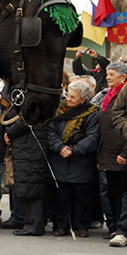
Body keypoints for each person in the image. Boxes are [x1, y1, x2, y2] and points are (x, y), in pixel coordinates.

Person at [46, 81, 100, 237]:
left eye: (73, 97)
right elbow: (50, 132)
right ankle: (61, 225)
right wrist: (60, 148)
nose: (68, 99)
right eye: (68, 95)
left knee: (82, 196)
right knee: (61, 196)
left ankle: (81, 225)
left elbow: (93, 137)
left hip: (81, 161)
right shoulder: (59, 111)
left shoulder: (92, 113)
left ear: (83, 100)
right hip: (59, 160)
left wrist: (74, 150)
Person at [95, 62, 127, 241]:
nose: (107, 77)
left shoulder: (124, 95)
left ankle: (122, 228)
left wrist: (125, 152)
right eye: (107, 74)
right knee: (112, 191)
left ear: (123, 77)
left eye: (111, 74)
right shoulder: (106, 96)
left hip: (121, 151)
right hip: (108, 152)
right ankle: (115, 227)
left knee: (123, 193)